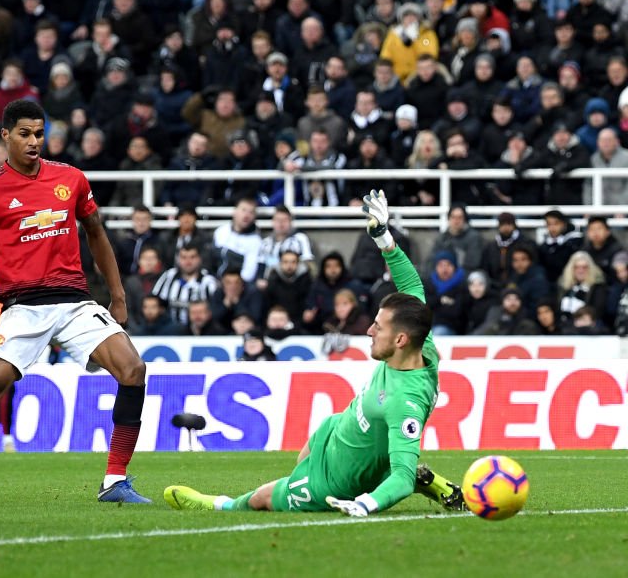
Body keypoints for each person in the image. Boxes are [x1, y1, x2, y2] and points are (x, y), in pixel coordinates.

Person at [0, 100, 150, 506]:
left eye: (39, 133)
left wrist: (117, 296)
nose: (34, 141)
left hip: (74, 303)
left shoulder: (71, 178)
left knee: (133, 370)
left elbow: (97, 234)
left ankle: (115, 480)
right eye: (25, 134)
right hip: (22, 308)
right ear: (5, 136)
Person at [164, 190, 463, 516]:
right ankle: (431, 483)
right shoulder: (423, 342)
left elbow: (403, 480)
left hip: (338, 481)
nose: (369, 331)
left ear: (402, 340)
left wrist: (364, 504)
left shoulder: (406, 402)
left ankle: (218, 505)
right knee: (299, 466)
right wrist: (383, 237)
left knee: (260, 499)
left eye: (379, 328)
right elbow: (411, 288)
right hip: (336, 429)